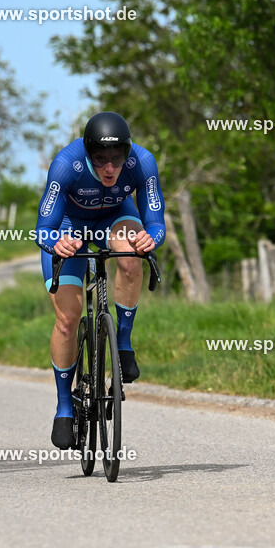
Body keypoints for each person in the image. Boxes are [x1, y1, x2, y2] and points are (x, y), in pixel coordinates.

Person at [34, 112, 165, 450]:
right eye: (101, 160)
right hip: (68, 227)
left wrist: (151, 239)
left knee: (131, 257)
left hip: (114, 218)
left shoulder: (143, 161)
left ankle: (122, 343)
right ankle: (64, 406)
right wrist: (55, 243)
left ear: (128, 152)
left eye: (117, 159)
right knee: (67, 320)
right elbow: (43, 228)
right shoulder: (66, 164)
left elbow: (155, 221)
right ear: (88, 153)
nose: (110, 168)